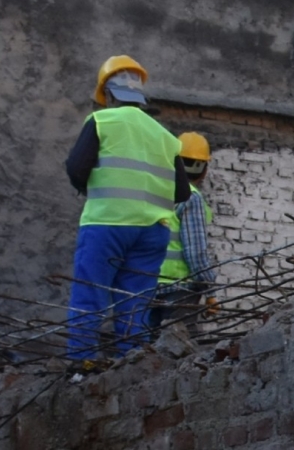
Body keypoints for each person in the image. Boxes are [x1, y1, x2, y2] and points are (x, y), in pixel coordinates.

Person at [65, 55, 191, 360]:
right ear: (139, 96)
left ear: (108, 94)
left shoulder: (102, 121)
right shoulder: (166, 137)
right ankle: (130, 362)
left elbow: (75, 169)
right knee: (135, 301)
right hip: (152, 232)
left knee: (90, 294)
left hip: (107, 224)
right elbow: (183, 192)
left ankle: (82, 365)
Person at [150, 132, 219, 336]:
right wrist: (210, 291)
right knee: (181, 348)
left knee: (146, 346)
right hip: (179, 289)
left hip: (146, 282)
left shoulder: (156, 189)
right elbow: (195, 252)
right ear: (204, 168)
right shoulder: (191, 197)